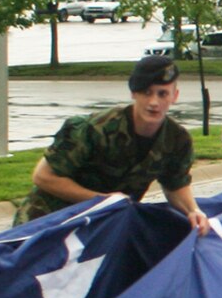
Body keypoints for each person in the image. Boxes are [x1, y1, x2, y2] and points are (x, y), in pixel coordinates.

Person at [13, 55, 209, 236]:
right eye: (146, 92)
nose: (153, 102)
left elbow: (175, 185)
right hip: (47, 222)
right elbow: (43, 176)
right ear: (133, 93)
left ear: (174, 96)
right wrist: (101, 200)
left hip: (101, 229)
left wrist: (193, 211)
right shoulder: (94, 128)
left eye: (163, 94)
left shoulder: (177, 140)